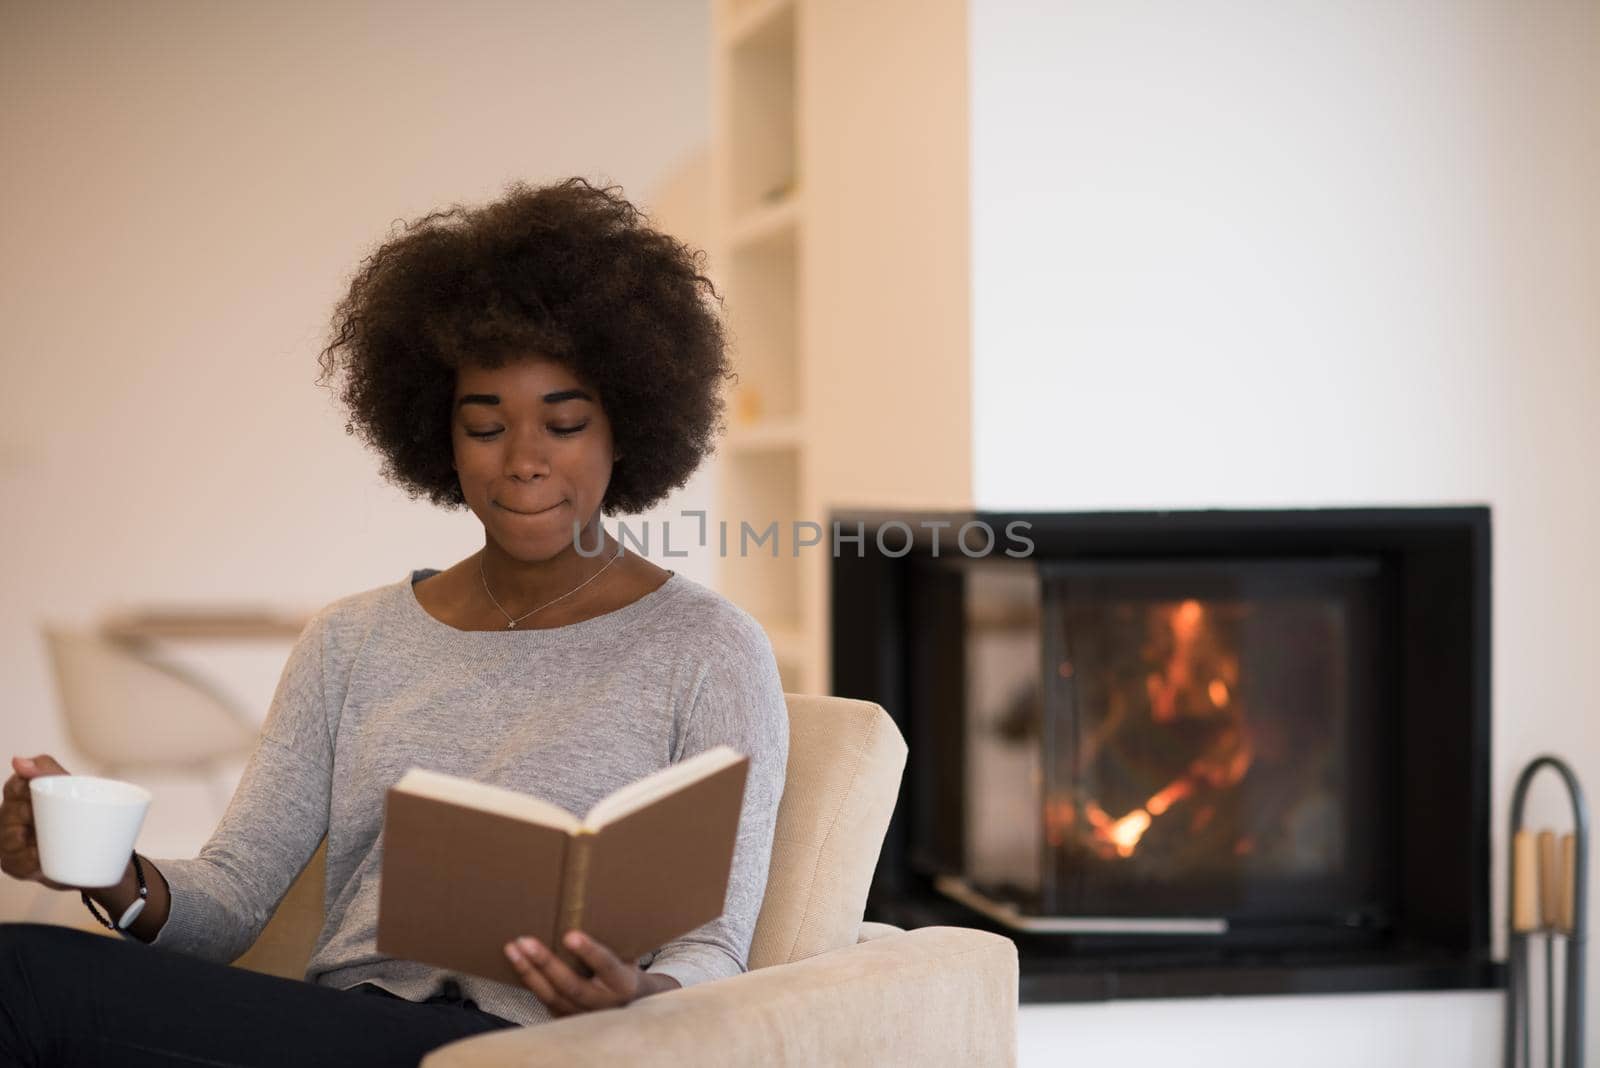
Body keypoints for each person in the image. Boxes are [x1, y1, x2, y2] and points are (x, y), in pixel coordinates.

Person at [0, 177, 789, 1066]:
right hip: (351, 1027)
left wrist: (639, 996)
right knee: (20, 967)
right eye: (486, 427)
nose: (525, 462)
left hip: (541, 1049)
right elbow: (227, 901)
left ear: (626, 428)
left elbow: (713, 949)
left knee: (23, 981)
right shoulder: (352, 641)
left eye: (563, 423)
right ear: (438, 439)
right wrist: (107, 872)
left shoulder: (709, 649)